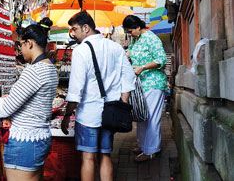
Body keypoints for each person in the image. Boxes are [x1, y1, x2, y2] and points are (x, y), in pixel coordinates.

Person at [0, 17, 58, 181]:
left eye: (20, 45)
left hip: (25, 142)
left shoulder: (33, 71)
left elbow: (5, 108)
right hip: (40, 138)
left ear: (29, 44)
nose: (19, 51)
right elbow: (33, 100)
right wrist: (10, 98)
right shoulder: (50, 69)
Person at [61, 11, 136, 181]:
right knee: (105, 155)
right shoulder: (116, 47)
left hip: (88, 114)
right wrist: (121, 104)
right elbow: (128, 78)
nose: (73, 33)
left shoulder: (81, 51)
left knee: (88, 158)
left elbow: (75, 90)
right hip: (110, 113)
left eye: (75, 29)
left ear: (86, 28)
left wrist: (67, 115)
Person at [122, 15, 168, 162]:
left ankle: (152, 150)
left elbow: (161, 59)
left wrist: (143, 67)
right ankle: (143, 146)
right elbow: (129, 52)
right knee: (142, 116)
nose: (129, 34)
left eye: (130, 31)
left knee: (152, 118)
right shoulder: (136, 39)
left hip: (153, 83)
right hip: (142, 84)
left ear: (137, 27)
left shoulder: (151, 38)